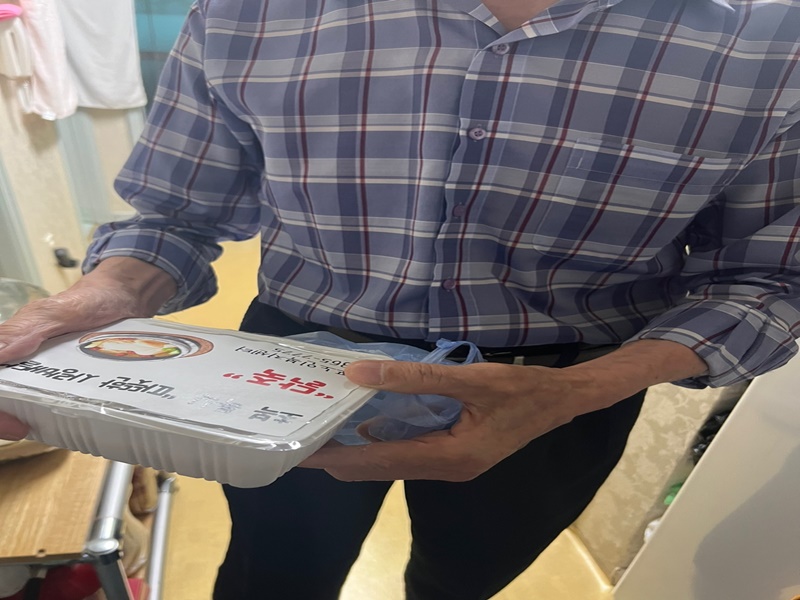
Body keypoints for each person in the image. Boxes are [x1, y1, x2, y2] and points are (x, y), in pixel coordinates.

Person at [1, 0, 799, 597]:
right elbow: (178, 215)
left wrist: (579, 392)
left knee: (462, 583)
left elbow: (769, 277)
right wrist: (98, 296)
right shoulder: (251, 9)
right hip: (289, 364)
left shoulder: (775, 34)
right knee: (271, 576)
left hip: (558, 394)